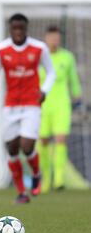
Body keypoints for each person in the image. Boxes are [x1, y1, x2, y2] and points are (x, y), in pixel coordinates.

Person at [0, 13, 56, 204]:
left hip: (32, 104)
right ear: (10, 29)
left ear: (26, 28)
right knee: (13, 149)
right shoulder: (0, 50)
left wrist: (44, 91)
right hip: (10, 105)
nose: (18, 31)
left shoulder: (39, 48)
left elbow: (51, 72)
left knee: (26, 146)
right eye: (14, 28)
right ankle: (22, 193)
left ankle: (36, 173)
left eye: (21, 28)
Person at [38, 25, 82, 192]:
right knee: (43, 141)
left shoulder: (67, 57)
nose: (55, 40)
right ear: (46, 38)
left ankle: (58, 179)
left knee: (60, 140)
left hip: (62, 105)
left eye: (57, 38)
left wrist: (77, 96)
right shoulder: (40, 57)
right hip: (43, 105)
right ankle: (45, 179)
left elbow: (73, 79)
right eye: (52, 37)